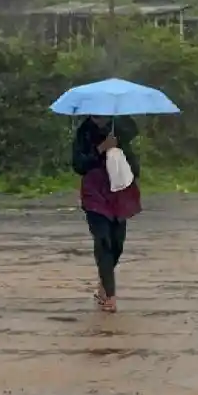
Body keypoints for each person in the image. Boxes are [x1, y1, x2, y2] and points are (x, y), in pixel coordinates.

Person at [71, 115, 142, 313]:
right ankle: (110, 295)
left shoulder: (119, 127)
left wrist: (116, 146)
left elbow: (133, 163)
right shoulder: (83, 132)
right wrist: (99, 150)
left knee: (117, 242)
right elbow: (78, 165)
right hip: (94, 194)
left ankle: (105, 279)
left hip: (119, 192)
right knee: (103, 240)